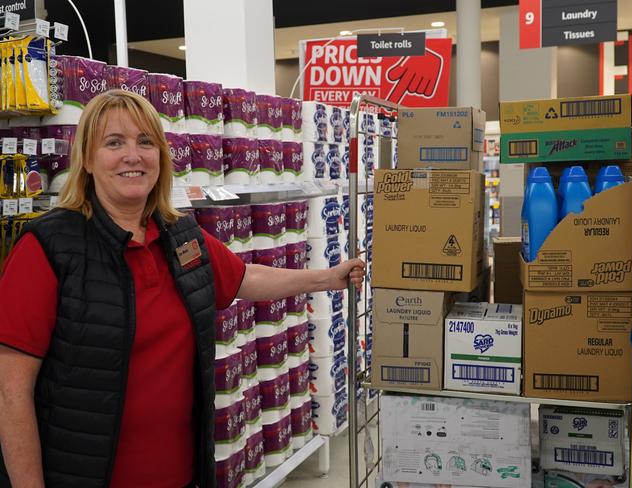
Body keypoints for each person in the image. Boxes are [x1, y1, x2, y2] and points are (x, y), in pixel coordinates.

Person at [0, 89, 364, 488]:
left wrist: (328, 278)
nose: (132, 156)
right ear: (86, 159)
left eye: (145, 142)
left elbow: (245, 277)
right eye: (113, 143)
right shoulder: (49, 247)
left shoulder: (179, 235)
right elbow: (10, 394)